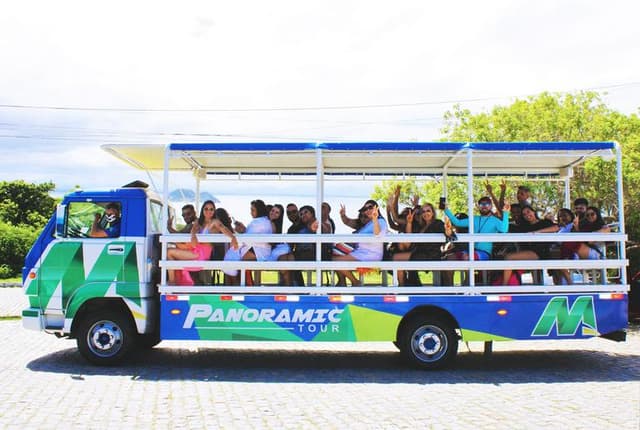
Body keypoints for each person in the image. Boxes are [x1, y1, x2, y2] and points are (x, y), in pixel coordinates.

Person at [167, 200, 238, 285]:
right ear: (202, 210)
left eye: (211, 209)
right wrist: (193, 235)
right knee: (170, 253)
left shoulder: (215, 222)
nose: (208, 211)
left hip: (203, 254)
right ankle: (176, 283)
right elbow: (194, 229)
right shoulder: (199, 222)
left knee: (169, 252)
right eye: (206, 209)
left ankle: (172, 283)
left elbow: (223, 228)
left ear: (214, 211)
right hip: (196, 250)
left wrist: (233, 237)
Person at [333, 199, 388, 286]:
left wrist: (374, 218)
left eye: (370, 207)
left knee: (334, 261)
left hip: (369, 255)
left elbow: (378, 234)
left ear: (376, 208)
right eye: (365, 209)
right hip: (361, 253)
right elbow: (348, 221)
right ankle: (342, 282)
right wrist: (343, 215)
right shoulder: (367, 223)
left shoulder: (380, 221)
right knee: (335, 255)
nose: (368, 210)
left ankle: (355, 282)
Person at [392, 203, 446, 286]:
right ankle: (402, 286)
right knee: (396, 258)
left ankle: (403, 286)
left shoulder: (438, 223)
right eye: (423, 212)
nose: (426, 213)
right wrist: (409, 222)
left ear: (433, 213)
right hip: (420, 253)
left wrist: (448, 230)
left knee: (397, 258)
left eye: (428, 211)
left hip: (431, 255)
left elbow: (448, 233)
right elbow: (409, 237)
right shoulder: (421, 225)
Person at [500, 205, 555, 285]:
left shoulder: (545, 222)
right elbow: (505, 227)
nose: (527, 215)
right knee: (508, 257)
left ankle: (504, 286)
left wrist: (536, 232)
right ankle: (536, 286)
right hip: (530, 252)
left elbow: (556, 228)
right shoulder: (524, 227)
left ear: (533, 212)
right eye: (524, 214)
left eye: (528, 212)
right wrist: (505, 213)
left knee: (509, 257)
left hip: (542, 252)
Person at [444, 197, 510, 261]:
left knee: (467, 257)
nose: (484, 206)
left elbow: (504, 229)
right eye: (481, 204)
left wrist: (506, 213)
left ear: (491, 206)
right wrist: (446, 210)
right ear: (478, 206)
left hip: (485, 253)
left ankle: (469, 272)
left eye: (486, 204)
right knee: (450, 257)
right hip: (470, 250)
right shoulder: (474, 219)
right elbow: (457, 222)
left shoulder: (495, 220)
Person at [224, 199, 273, 285]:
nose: (251, 212)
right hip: (257, 248)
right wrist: (243, 229)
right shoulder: (262, 221)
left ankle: (239, 285)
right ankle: (238, 284)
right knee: (233, 257)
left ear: (259, 210)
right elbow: (251, 234)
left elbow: (249, 237)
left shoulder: (260, 222)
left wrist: (241, 231)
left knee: (232, 258)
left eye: (253, 210)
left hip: (259, 250)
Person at [279, 205, 330, 285]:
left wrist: (316, 226)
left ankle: (295, 286)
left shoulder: (316, 223)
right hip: (303, 254)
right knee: (283, 258)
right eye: (301, 214)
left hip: (317, 254)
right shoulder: (293, 228)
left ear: (312, 213)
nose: (303, 215)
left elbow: (319, 228)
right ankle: (288, 285)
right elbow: (290, 246)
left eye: (306, 212)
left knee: (291, 259)